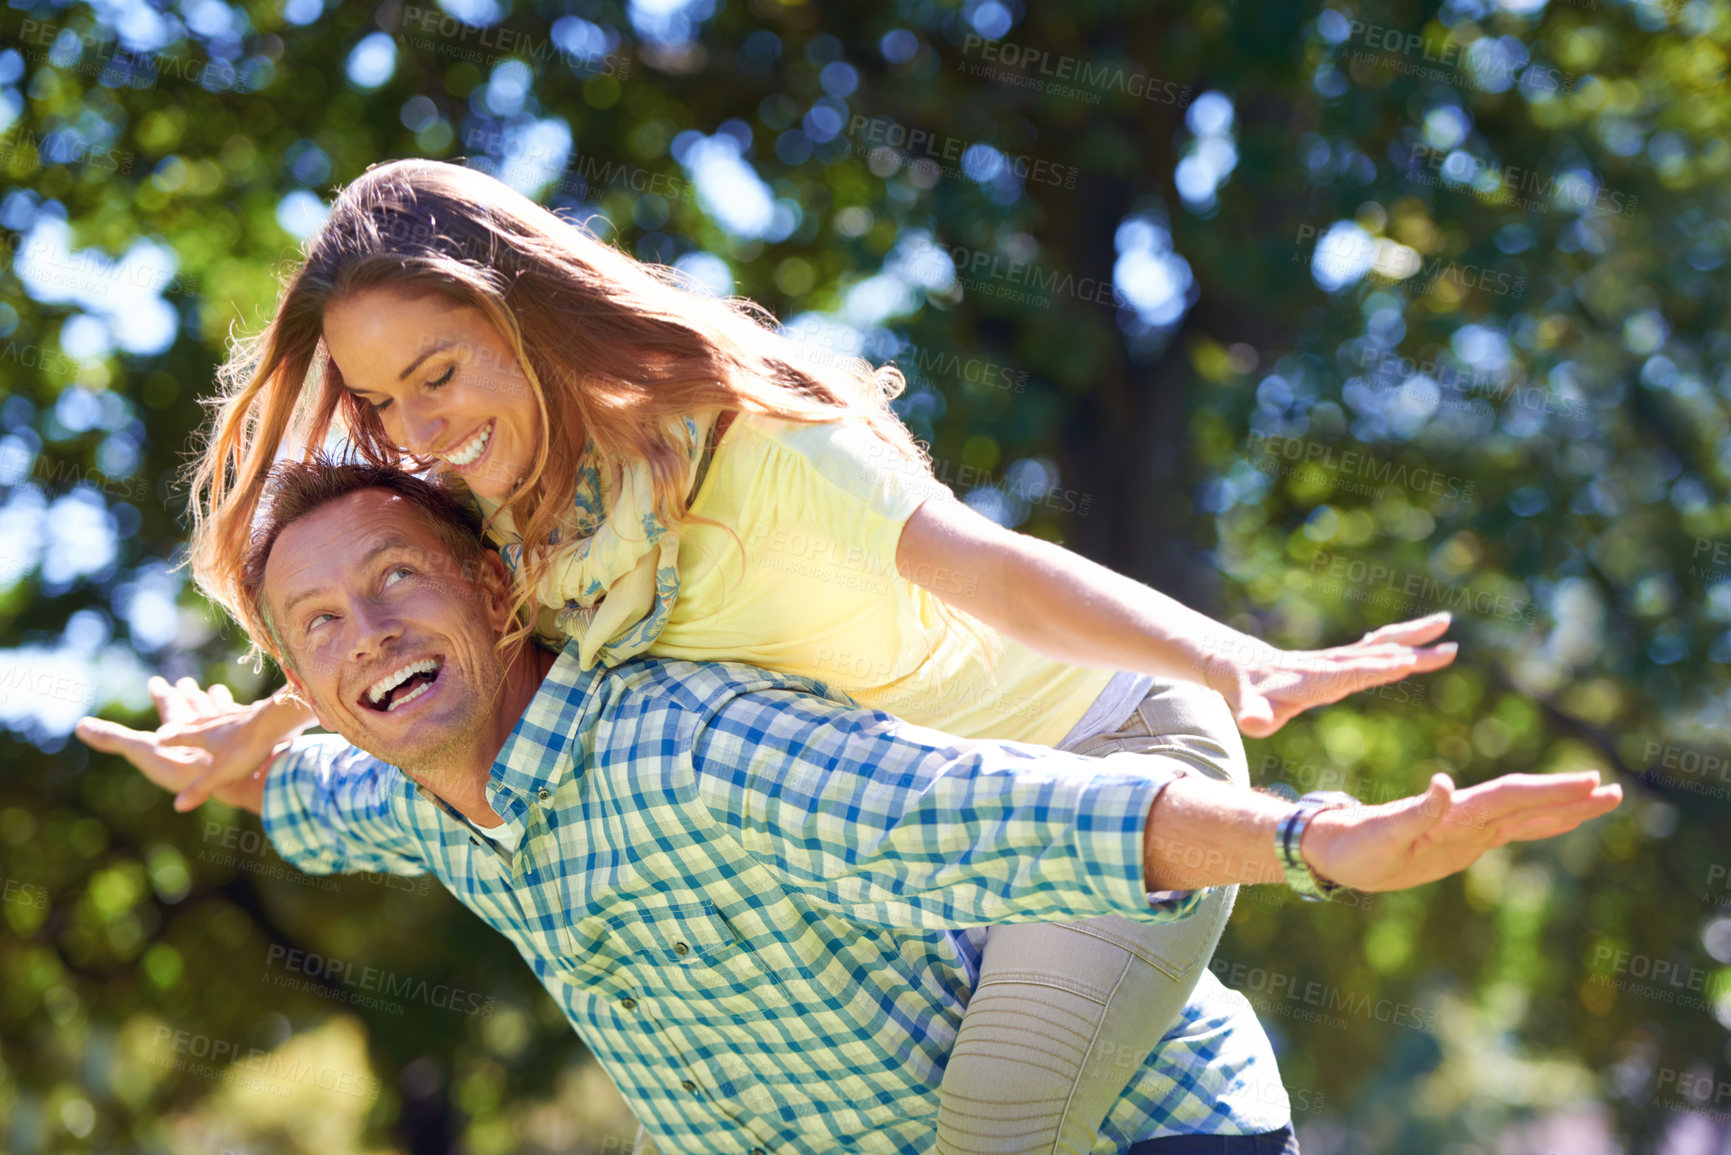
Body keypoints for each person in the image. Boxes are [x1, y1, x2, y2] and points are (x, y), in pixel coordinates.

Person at [168, 158, 1458, 1152]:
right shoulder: (522, 512)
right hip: (946, 821)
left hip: (1109, 750)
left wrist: (1241, 663)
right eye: (385, 401)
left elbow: (997, 567)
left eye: (439, 372)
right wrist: (266, 729)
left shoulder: (751, 448)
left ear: (530, 311)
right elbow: (408, 651)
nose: (418, 428)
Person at [78, 460, 1620, 1154]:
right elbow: (308, 793)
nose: (370, 640)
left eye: (398, 579)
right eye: (319, 627)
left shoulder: (680, 744)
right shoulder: (412, 791)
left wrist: (1314, 840)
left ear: (497, 586)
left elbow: (1003, 815)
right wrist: (228, 758)